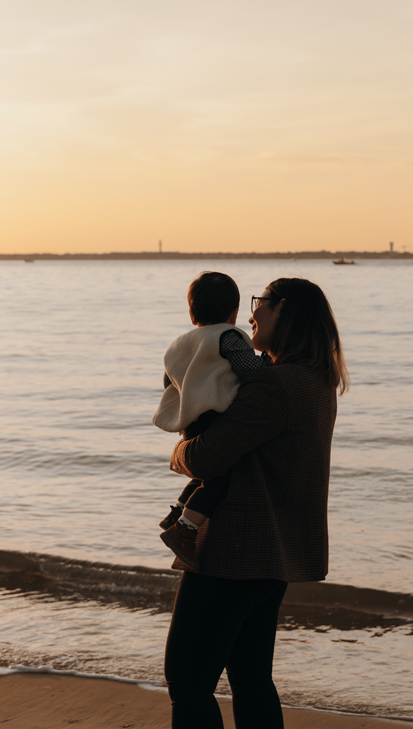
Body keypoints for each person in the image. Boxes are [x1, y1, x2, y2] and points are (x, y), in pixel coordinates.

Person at [164, 277, 348, 729]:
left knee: (187, 679)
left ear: (283, 310)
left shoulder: (274, 385)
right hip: (272, 556)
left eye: (261, 302)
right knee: (250, 678)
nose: (252, 312)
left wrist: (179, 450)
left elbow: (206, 457)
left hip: (236, 553)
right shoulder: (317, 382)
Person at [153, 271, 264, 570]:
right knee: (222, 479)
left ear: (192, 313)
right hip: (216, 413)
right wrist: (270, 362)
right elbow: (248, 370)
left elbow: (170, 382)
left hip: (191, 419)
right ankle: (184, 530)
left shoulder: (179, 344)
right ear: (234, 313)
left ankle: (178, 511)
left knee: (206, 476)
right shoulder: (229, 337)